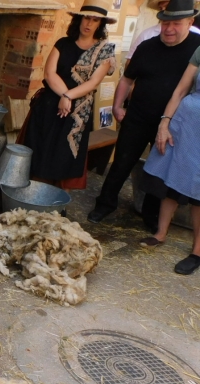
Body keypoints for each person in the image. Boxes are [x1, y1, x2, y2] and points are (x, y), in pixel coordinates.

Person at [88, 0, 200, 227]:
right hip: (138, 116)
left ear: (190, 22)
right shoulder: (147, 46)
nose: (169, 29)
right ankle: (105, 205)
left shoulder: (197, 48)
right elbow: (128, 79)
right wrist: (118, 106)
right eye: (165, 23)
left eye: (176, 24)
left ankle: (150, 216)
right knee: (121, 163)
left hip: (174, 123)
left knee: (158, 172)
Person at [20, 0, 116, 190]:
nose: (88, 24)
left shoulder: (104, 52)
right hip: (49, 106)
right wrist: (65, 95)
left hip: (77, 112)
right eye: (86, 18)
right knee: (39, 150)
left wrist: (69, 97)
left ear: (100, 25)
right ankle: (29, 192)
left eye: (95, 20)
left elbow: (93, 82)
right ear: (79, 20)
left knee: (63, 156)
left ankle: (54, 199)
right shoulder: (63, 43)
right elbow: (50, 73)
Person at [138, 43, 200, 275]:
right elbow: (180, 90)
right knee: (173, 176)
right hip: (187, 122)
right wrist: (165, 122)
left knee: (199, 192)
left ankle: (197, 252)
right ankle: (161, 233)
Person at [126, 0, 200, 65]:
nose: (164, 10)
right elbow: (130, 64)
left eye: (167, 6)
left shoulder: (197, 37)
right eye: (161, 8)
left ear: (190, 23)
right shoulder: (147, 35)